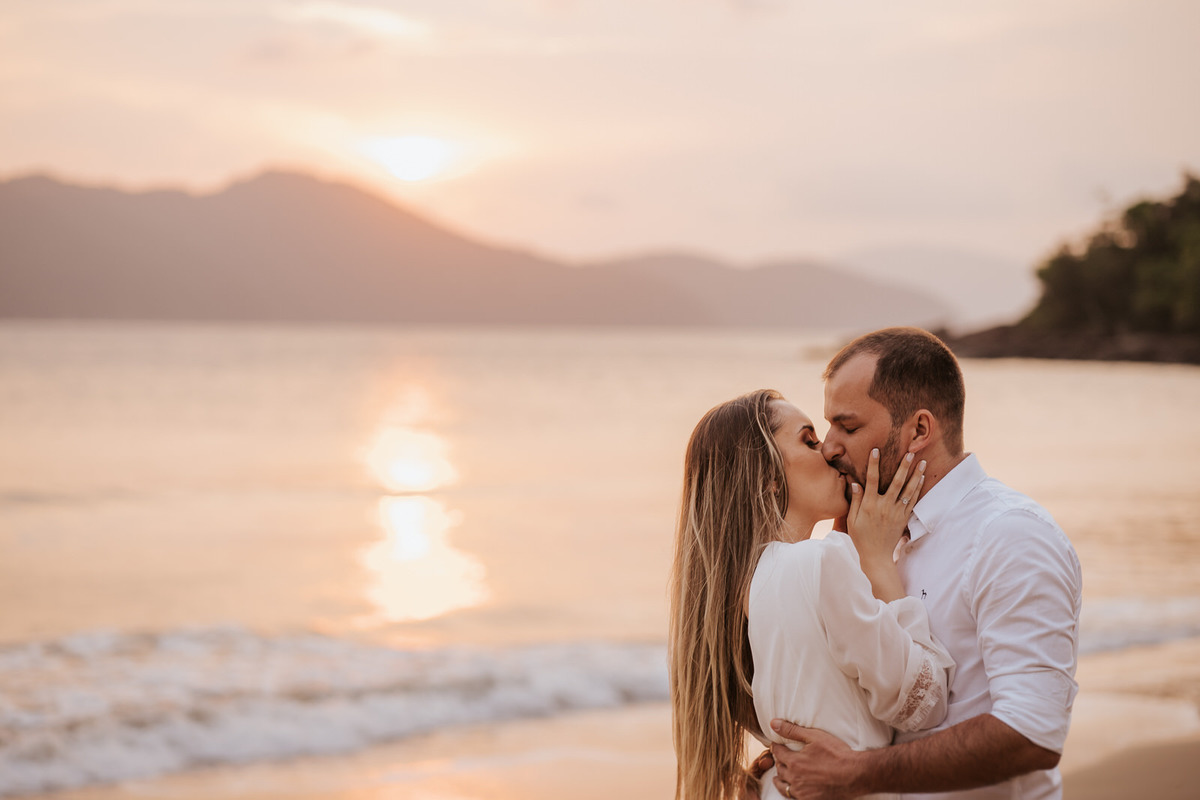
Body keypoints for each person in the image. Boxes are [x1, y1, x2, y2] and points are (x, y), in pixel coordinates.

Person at [764, 327, 1083, 800]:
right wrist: (787, 761)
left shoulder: (1010, 535)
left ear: (918, 430)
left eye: (847, 428)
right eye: (827, 428)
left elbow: (1032, 734)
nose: (830, 447)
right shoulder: (867, 532)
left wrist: (855, 773)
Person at [668, 388, 955, 800]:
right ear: (766, 478)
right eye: (809, 440)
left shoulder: (742, 594)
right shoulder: (821, 563)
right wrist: (875, 559)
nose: (831, 452)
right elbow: (926, 702)